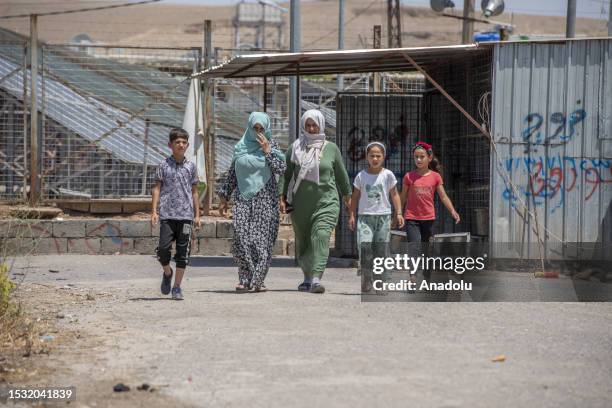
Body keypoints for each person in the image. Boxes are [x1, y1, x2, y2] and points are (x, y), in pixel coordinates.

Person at [279, 109, 351, 294]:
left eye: (314, 125)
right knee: (304, 241)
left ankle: (317, 278)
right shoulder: (295, 148)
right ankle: (307, 277)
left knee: (320, 236)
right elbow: (285, 176)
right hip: (300, 205)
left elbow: (342, 176)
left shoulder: (331, 148)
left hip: (326, 202)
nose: (311, 129)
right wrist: (281, 197)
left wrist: (348, 196)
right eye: (308, 125)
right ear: (303, 126)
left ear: (321, 125)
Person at [217, 112, 286, 292]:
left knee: (261, 242)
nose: (258, 132)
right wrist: (224, 196)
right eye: (254, 129)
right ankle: (245, 277)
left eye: (261, 129)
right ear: (249, 128)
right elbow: (233, 172)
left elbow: (281, 168)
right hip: (243, 199)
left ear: (266, 129)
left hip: (265, 201)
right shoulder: (240, 147)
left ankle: (258, 280)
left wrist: (267, 151)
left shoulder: (273, 146)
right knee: (241, 239)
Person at [151, 128, 202, 300]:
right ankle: (167, 272)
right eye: (177, 142)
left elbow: (195, 191)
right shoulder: (163, 165)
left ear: (187, 145)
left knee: (183, 253)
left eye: (184, 142)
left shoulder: (191, 167)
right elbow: (157, 189)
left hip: (186, 216)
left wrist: (197, 215)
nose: (181, 145)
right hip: (167, 214)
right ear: (170, 145)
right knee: (163, 250)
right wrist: (154, 212)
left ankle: (177, 287)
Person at [348, 142, 404, 293]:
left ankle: (381, 282)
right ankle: (367, 277)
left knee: (381, 251)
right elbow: (355, 197)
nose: (375, 158)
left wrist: (398, 213)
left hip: (383, 218)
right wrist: (352, 215)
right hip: (365, 218)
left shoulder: (388, 175)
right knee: (364, 246)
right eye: (372, 155)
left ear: (383, 157)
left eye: (378, 155)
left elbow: (394, 195)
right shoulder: (361, 176)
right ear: (366, 157)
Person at [400, 141, 460, 281]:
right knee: (414, 245)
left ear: (429, 158)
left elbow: (443, 196)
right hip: (411, 217)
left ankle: (426, 275)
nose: (419, 160)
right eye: (416, 157)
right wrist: (397, 213)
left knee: (427, 248)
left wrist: (453, 211)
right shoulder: (409, 177)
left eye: (422, 156)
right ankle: (413, 274)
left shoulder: (435, 177)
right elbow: (402, 197)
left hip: (428, 218)